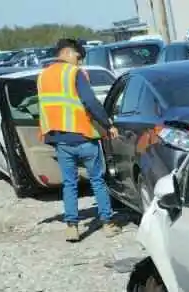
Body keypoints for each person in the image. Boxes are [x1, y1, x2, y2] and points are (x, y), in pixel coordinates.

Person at [37, 39, 121, 242]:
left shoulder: (42, 76)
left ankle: (72, 227)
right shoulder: (73, 73)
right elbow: (90, 101)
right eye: (78, 57)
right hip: (83, 136)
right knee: (97, 181)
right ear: (66, 53)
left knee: (69, 183)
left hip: (60, 140)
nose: (79, 62)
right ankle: (108, 224)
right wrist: (108, 124)